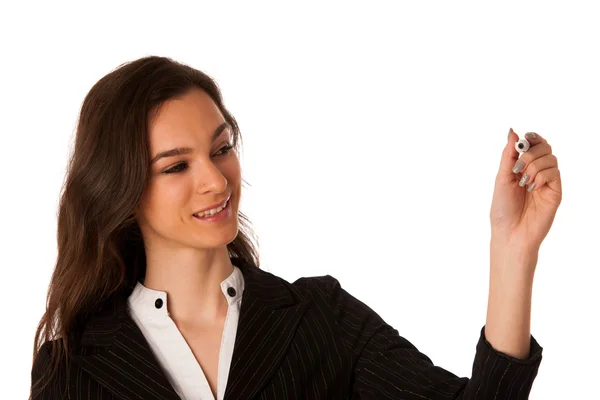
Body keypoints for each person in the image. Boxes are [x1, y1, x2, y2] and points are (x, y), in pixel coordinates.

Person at [30, 56, 562, 400]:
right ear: (122, 192)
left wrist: (513, 251)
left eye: (221, 149)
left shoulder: (321, 319)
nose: (216, 181)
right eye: (176, 166)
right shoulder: (71, 367)